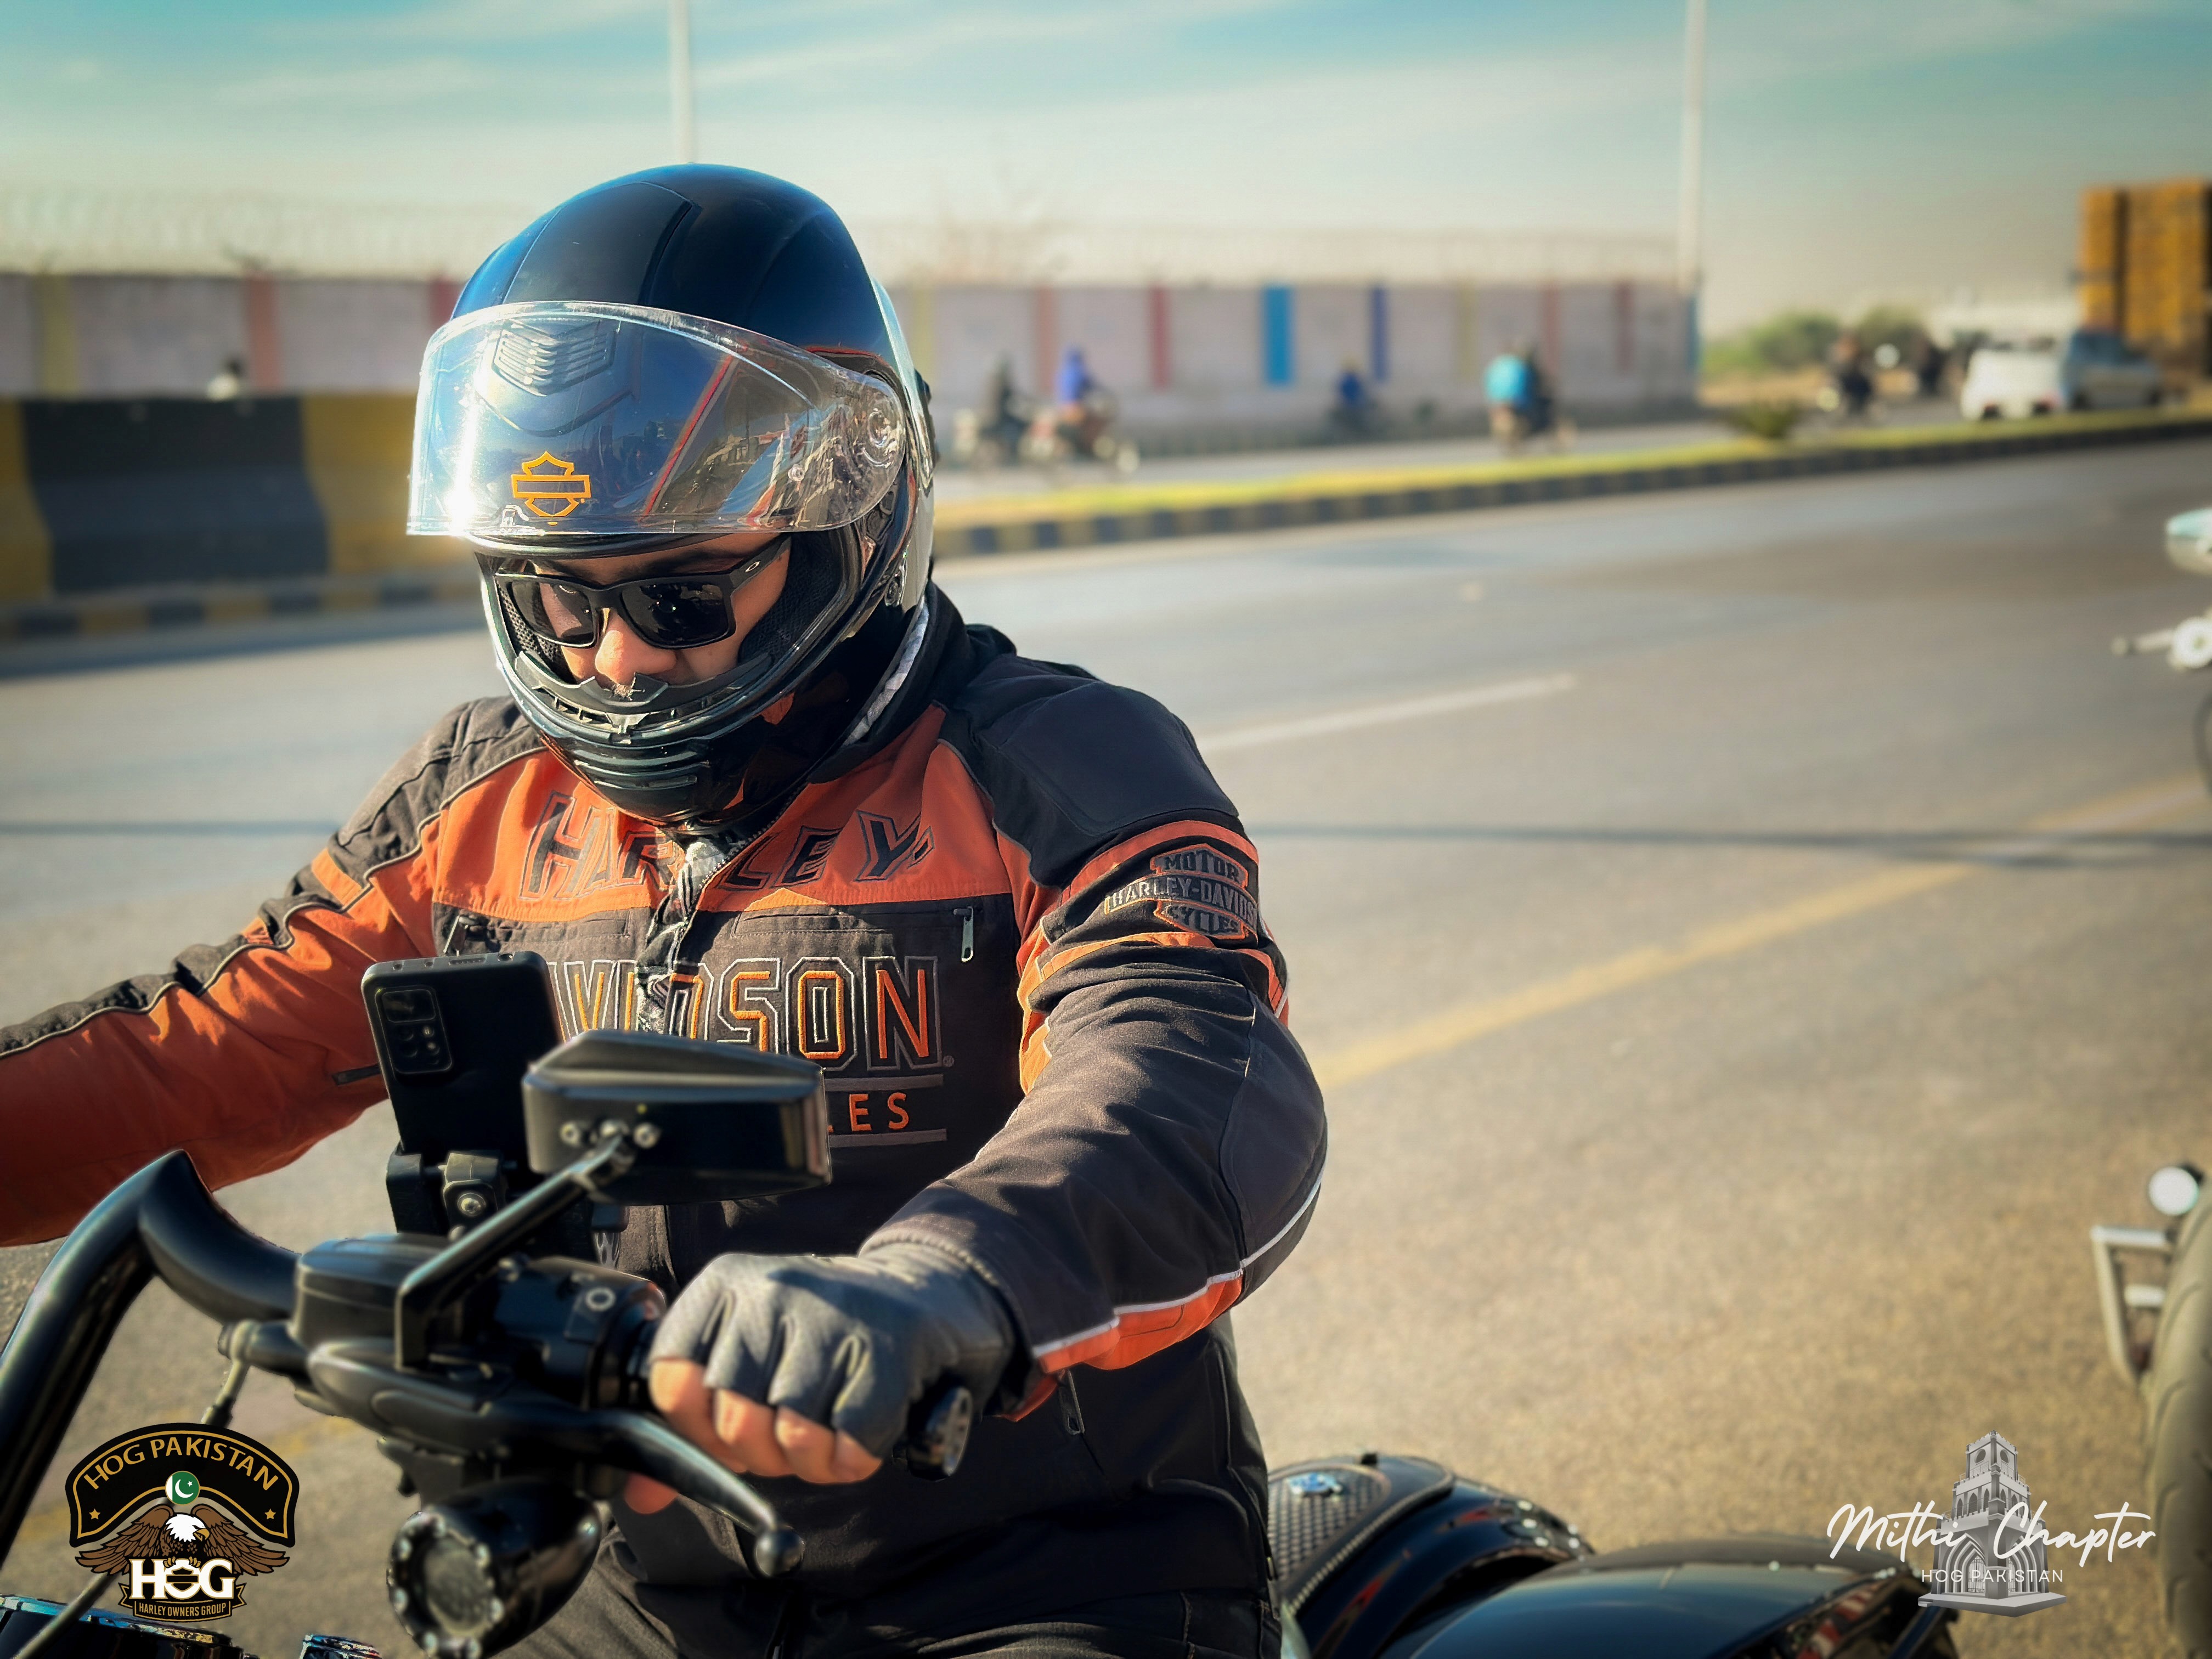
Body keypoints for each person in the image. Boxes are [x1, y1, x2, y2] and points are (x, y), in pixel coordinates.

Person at [0, 167, 1325, 1659]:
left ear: (846, 528)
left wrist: (940, 1285)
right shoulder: (475, 800)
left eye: (685, 598)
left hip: (1040, 1578)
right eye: (564, 604)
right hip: (635, 1599)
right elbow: (198, 1057)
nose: (619, 659)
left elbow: (1187, 1083)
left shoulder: (1056, 765)